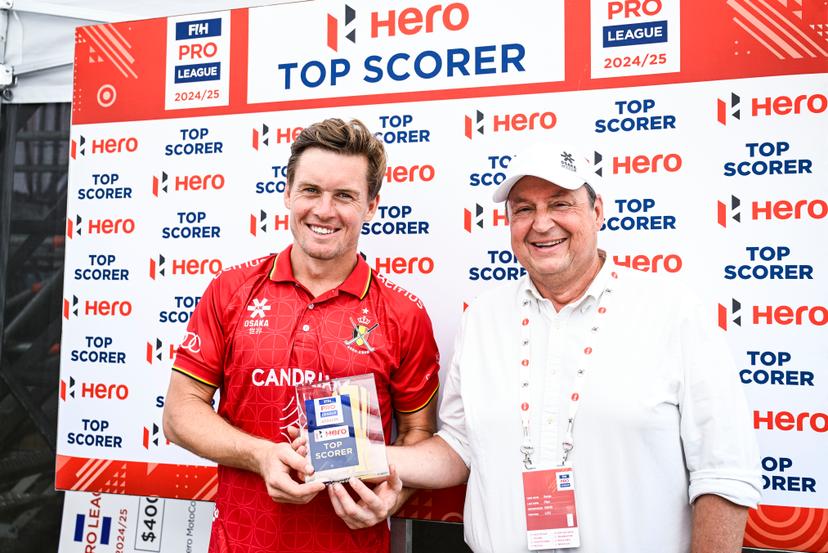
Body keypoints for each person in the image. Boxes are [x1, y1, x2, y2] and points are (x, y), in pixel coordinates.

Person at [321, 143, 762, 552]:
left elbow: (722, 474)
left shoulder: (673, 312)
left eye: (561, 204)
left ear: (598, 212)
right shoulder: (483, 318)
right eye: (524, 209)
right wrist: (357, 458)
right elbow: (458, 446)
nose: (542, 222)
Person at [162, 118, 440, 553]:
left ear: (371, 206)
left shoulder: (403, 312)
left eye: (345, 195)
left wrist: (393, 496)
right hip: (241, 543)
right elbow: (179, 414)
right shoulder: (231, 290)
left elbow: (419, 434)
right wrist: (260, 456)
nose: (324, 210)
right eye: (311, 190)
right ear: (288, 193)